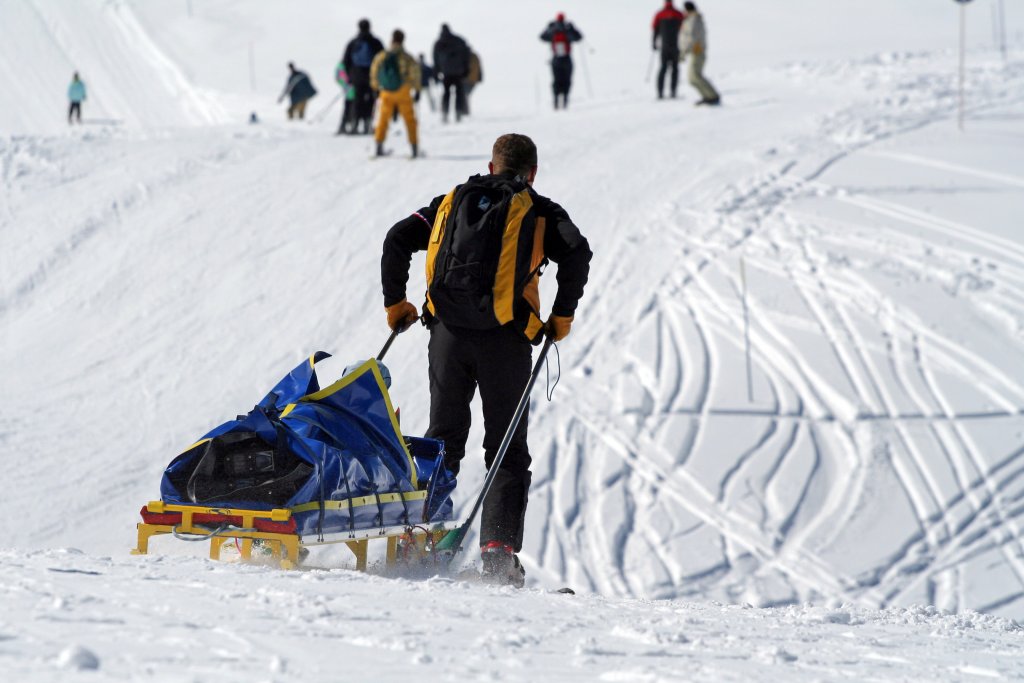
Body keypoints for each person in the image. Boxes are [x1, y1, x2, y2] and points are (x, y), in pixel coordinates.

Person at [380, 133, 592, 587]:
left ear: (491, 166)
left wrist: (396, 304)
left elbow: (398, 238)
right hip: (506, 341)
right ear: (532, 172)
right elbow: (577, 252)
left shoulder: (449, 201)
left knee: (442, 440)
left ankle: (418, 537)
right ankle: (497, 554)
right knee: (506, 449)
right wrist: (562, 315)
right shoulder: (541, 211)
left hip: (448, 336)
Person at [371, 30, 421, 158]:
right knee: (409, 119)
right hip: (403, 91)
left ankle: (379, 146)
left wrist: (376, 88)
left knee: (383, 119)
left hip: (386, 91)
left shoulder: (382, 55)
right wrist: (417, 90)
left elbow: (374, 71)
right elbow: (415, 74)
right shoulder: (406, 56)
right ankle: (414, 148)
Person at [342, 19, 385, 134]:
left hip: (356, 76)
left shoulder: (353, 43)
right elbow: (383, 60)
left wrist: (350, 76)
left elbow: (345, 61)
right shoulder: (376, 42)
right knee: (371, 100)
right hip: (372, 76)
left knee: (357, 100)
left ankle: (355, 124)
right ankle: (367, 123)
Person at [679, 1, 720, 105]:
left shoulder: (694, 20)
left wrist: (684, 52)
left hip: (698, 52)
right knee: (693, 78)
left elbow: (692, 38)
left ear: (688, 10)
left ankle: (713, 96)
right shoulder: (690, 20)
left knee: (694, 77)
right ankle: (708, 96)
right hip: (695, 52)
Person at [539, 13, 583, 110]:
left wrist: (549, 28)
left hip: (556, 60)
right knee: (566, 81)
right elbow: (579, 37)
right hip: (566, 59)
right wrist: (572, 28)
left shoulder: (553, 30)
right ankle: (565, 101)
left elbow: (542, 37)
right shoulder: (567, 30)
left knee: (556, 81)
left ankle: (556, 102)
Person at [433, 24, 471, 123]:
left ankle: (445, 114)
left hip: (446, 73)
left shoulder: (439, 43)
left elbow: (435, 59)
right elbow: (466, 55)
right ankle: (458, 113)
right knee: (459, 94)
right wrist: (466, 69)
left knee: (446, 94)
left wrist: (436, 73)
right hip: (459, 72)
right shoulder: (459, 40)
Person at [652, 1, 685, 99]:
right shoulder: (678, 14)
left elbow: (655, 29)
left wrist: (654, 43)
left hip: (664, 47)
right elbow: (684, 29)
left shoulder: (659, 14)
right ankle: (673, 92)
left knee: (663, 69)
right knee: (675, 69)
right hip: (675, 46)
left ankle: (660, 93)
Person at [334, 61, 357, 135]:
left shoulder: (341, 65)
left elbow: (338, 78)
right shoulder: (351, 64)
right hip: (354, 92)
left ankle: (344, 126)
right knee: (352, 109)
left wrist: (344, 86)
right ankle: (351, 126)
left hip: (348, 91)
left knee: (348, 109)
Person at [463, 50, 483, 115]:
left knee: (465, 95)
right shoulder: (475, 56)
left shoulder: (464, 56)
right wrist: (480, 78)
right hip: (473, 79)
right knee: (466, 95)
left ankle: (465, 112)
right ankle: (465, 111)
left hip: (466, 79)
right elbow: (479, 68)